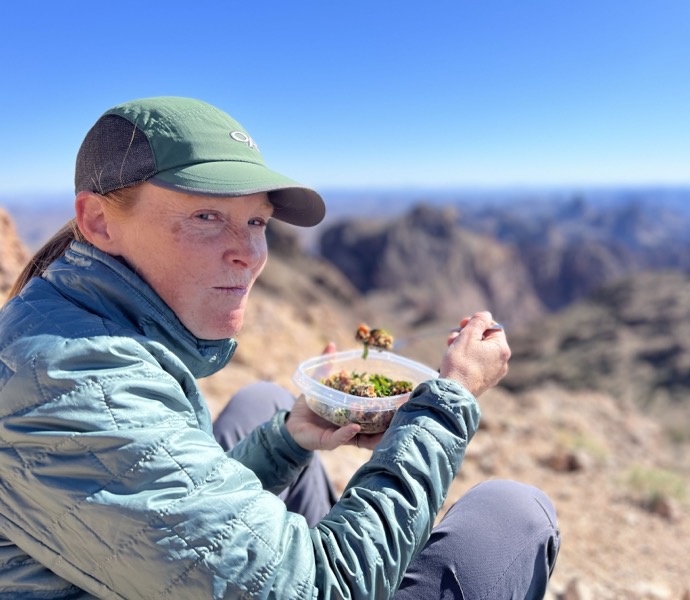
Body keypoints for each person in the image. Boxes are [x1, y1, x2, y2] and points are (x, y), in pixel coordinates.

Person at [0, 96, 559, 599]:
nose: (249, 253)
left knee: (265, 405)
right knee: (514, 515)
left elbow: (162, 518)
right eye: (205, 216)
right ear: (97, 221)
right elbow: (322, 590)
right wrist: (450, 397)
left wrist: (287, 441)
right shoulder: (77, 382)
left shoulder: (77, 327)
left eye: (257, 221)